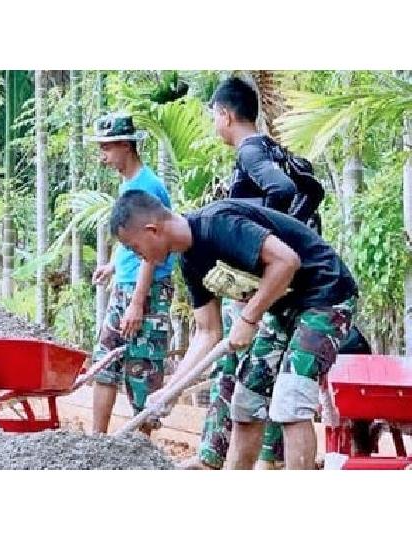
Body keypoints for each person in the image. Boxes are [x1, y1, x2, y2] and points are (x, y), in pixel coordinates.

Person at [110, 191, 357, 469]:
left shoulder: (218, 224)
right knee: (246, 400)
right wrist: (173, 389)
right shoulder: (190, 263)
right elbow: (208, 332)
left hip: (326, 296)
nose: (137, 255)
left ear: (151, 230)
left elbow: (287, 261)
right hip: (283, 309)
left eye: (134, 247)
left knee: (291, 398)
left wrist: (249, 319)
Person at [190, 76, 301, 470]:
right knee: (256, 370)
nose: (214, 125)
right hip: (282, 278)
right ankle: (238, 458)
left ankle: (218, 459)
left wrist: (263, 241)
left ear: (225, 114)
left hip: (271, 278)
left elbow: (283, 190)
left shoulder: (251, 153)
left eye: (213, 117)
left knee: (244, 368)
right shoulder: (270, 148)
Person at [86, 113, 175, 435]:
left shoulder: (148, 186)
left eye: (107, 148)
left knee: (142, 367)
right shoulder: (128, 184)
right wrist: (112, 264)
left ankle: (141, 446)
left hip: (147, 289)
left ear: (126, 145)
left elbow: (153, 249)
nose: (103, 156)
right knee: (105, 361)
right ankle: (98, 440)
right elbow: (129, 234)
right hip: (126, 284)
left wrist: (138, 302)